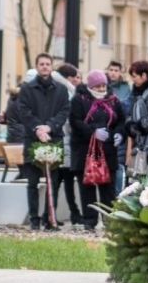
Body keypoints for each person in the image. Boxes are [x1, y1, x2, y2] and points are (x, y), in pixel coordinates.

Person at [17, 53, 71, 230]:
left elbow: (64, 111)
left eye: (48, 64)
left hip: (53, 139)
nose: (45, 66)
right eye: (42, 64)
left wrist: (49, 127)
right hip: (33, 139)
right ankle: (34, 219)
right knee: (32, 183)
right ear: (36, 66)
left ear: (52, 66)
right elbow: (23, 111)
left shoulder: (61, 90)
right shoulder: (27, 89)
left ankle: (50, 218)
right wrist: (38, 129)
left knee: (53, 183)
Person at [69, 70, 126, 231]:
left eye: (104, 85)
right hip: (85, 150)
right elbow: (75, 120)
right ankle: (89, 219)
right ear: (91, 86)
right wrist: (92, 131)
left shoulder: (114, 100)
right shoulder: (79, 99)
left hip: (108, 150)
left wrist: (119, 134)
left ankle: (109, 219)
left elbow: (121, 120)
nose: (102, 89)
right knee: (87, 187)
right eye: (98, 86)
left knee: (108, 187)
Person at [52, 63, 83, 223]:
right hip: (63, 141)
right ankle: (58, 214)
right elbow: (68, 119)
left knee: (65, 181)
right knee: (60, 181)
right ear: (68, 78)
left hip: (64, 142)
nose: (76, 81)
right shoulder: (67, 92)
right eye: (74, 78)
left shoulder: (60, 89)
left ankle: (70, 213)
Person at [106, 61, 131, 193]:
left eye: (116, 70)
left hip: (121, 131)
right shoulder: (103, 86)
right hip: (106, 130)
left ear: (121, 72)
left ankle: (119, 195)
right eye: (111, 70)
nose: (113, 73)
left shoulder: (126, 88)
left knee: (120, 166)